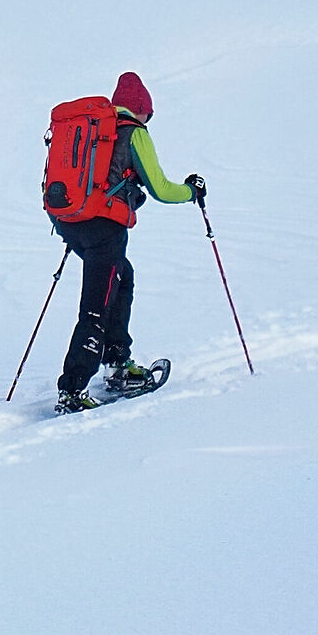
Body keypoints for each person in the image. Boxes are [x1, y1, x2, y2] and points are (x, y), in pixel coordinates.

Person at [54, 71, 206, 414]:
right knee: (96, 305)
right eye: (148, 114)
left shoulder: (93, 133)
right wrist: (192, 191)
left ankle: (117, 361)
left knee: (121, 278)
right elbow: (162, 189)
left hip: (72, 224)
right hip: (104, 230)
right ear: (142, 109)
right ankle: (73, 390)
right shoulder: (134, 134)